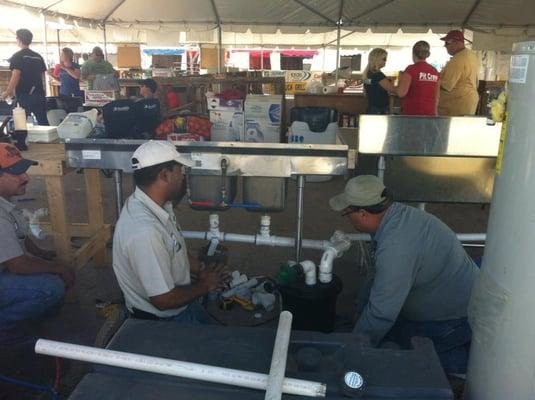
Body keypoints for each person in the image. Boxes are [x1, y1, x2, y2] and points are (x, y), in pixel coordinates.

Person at [329, 175, 479, 374]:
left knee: (402, 356)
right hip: (456, 292)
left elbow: (382, 313)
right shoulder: (397, 217)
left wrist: (352, 349)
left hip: (454, 318)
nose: (348, 218)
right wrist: (360, 307)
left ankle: (474, 363)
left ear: (363, 213)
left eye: (347, 213)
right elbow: (378, 276)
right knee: (383, 330)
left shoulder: (396, 246)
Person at [113, 141, 229, 323]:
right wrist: (206, 285)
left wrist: (201, 269)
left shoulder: (151, 203)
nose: (183, 178)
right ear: (165, 175)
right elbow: (163, 300)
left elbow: (174, 247)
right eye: (180, 171)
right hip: (164, 319)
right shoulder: (145, 231)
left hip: (180, 307)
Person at [0, 143, 74, 345]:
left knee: (50, 280)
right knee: (51, 288)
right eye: (16, 174)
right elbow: (19, 264)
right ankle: (6, 330)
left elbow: (19, 235)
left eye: (24, 171)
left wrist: (42, 254)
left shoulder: (5, 201)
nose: (27, 178)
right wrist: (59, 268)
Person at [1, 29, 48, 125]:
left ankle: (22, 140)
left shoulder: (18, 56)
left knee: (20, 124)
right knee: (43, 121)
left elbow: (16, 76)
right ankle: (48, 140)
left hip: (24, 95)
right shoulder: (38, 56)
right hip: (39, 93)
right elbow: (42, 75)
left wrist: (7, 92)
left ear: (19, 40)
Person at [437, 30, 480, 116]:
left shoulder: (458, 59)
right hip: (468, 101)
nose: (445, 46)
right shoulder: (471, 55)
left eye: (447, 43)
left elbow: (447, 85)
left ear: (456, 43)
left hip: (457, 104)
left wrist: (433, 81)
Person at [396, 41, 440, 115]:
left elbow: (401, 93)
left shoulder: (411, 69)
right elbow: (437, 95)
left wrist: (401, 78)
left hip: (412, 113)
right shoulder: (434, 71)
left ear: (413, 54)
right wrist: (435, 112)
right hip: (429, 113)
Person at [363, 48, 395, 115]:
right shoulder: (378, 75)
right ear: (376, 59)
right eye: (384, 59)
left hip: (371, 108)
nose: (385, 61)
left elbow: (366, 92)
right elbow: (393, 90)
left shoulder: (367, 74)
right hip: (380, 110)